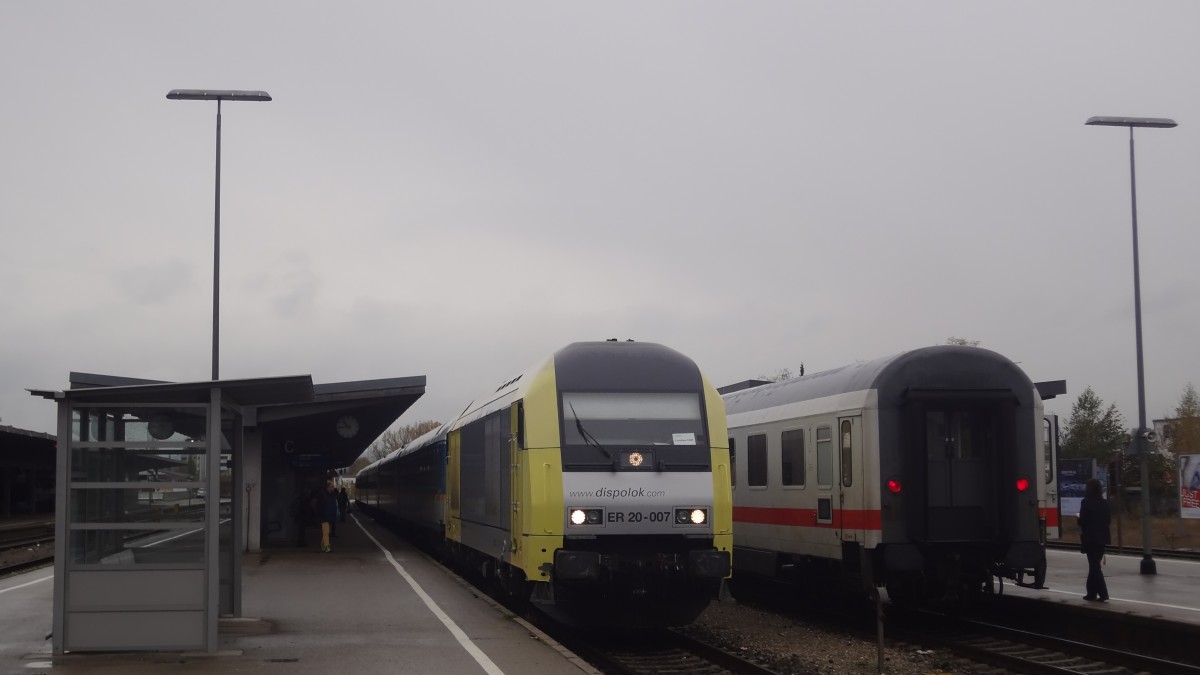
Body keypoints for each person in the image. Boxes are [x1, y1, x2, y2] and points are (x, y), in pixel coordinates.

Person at [1078, 477, 1110, 601]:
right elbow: (1108, 520)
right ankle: (1091, 593)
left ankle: (1103, 593)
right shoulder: (1105, 503)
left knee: (1094, 565)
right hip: (1102, 538)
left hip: (1090, 538)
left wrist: (1079, 521)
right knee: (1094, 565)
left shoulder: (1085, 502)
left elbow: (1083, 520)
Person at [319, 481, 339, 553]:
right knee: (326, 532)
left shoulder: (332, 496)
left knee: (326, 532)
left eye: (333, 486)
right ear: (328, 487)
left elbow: (337, 494)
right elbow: (319, 507)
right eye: (332, 486)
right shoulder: (323, 495)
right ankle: (327, 547)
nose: (333, 488)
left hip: (330, 517)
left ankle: (322, 546)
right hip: (324, 517)